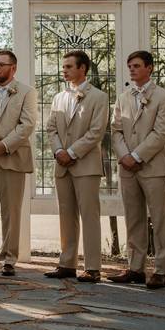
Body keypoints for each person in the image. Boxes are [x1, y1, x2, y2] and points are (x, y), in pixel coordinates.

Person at [108, 50, 165, 290]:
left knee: (159, 219)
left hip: (153, 166)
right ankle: (135, 268)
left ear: (149, 68)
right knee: (133, 218)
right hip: (128, 167)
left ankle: (161, 270)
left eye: (136, 65)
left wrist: (137, 155)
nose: (132, 70)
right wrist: (124, 155)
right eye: (130, 66)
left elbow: (162, 131)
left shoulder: (164, 97)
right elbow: (115, 130)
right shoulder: (123, 97)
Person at [44, 50, 108, 283]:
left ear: (82, 69)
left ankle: (92, 267)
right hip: (62, 165)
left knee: (89, 215)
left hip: (86, 165)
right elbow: (51, 128)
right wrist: (59, 151)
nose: (64, 70)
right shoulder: (59, 97)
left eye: (69, 66)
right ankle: (67, 264)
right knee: (66, 214)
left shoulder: (99, 97)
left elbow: (96, 132)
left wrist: (71, 152)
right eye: (64, 66)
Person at [0, 49, 37, 277]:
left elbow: (27, 124)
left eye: (1, 65)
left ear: (13, 68)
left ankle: (8, 259)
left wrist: (4, 144)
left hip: (12, 157)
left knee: (11, 212)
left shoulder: (26, 92)